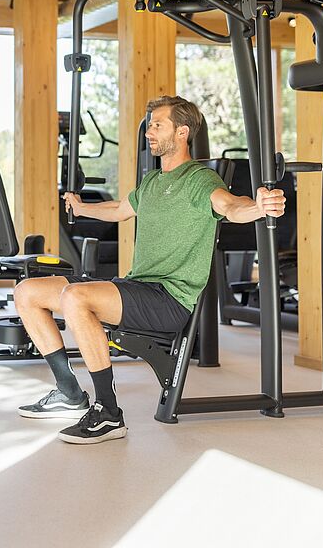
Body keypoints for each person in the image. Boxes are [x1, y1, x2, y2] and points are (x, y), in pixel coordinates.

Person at [15, 96, 285, 444]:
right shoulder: (153, 181)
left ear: (182, 132)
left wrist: (259, 207)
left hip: (167, 300)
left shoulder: (199, 179)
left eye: (158, 125)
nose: (149, 132)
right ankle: (69, 392)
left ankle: (109, 413)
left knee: (75, 296)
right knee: (28, 292)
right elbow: (118, 209)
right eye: (150, 125)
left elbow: (231, 205)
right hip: (137, 287)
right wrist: (81, 209)